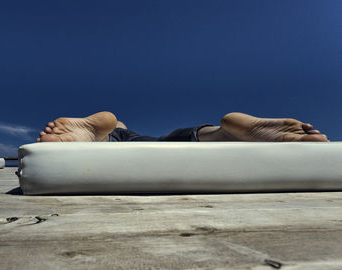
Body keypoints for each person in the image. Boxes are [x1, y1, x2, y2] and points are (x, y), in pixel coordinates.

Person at [36, 111, 329, 143]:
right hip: (175, 139)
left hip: (126, 139)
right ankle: (223, 133)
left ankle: (98, 136)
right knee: (196, 133)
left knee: (120, 128)